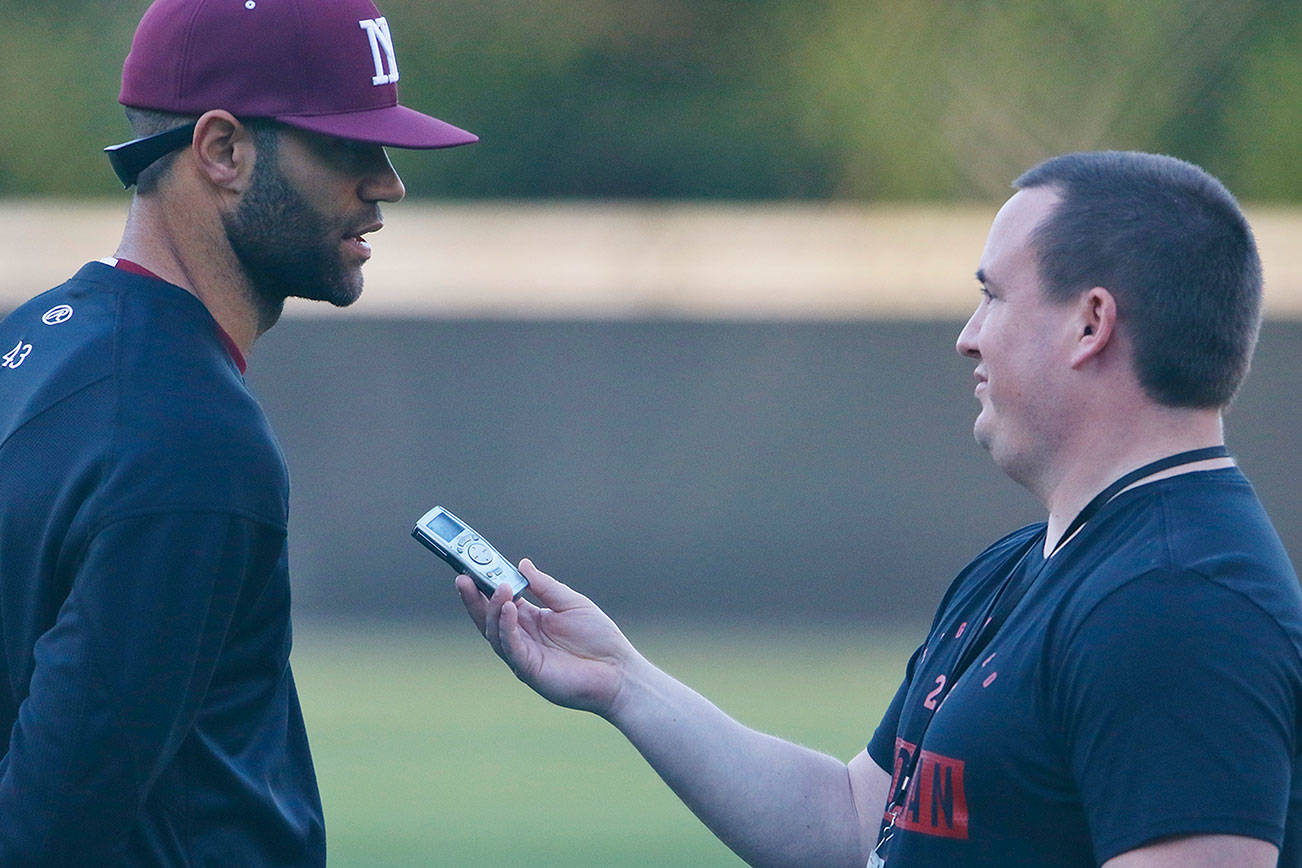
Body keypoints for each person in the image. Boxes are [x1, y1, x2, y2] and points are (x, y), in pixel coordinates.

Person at [458, 151, 1302, 867]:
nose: (969, 336)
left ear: (1090, 324)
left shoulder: (1181, 601)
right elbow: (855, 818)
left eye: (995, 296)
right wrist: (625, 683)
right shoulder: (1038, 561)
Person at [0, 0, 474, 863]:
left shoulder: (30, 345)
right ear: (221, 149)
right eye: (344, 144)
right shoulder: (191, 438)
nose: (386, 181)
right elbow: (48, 833)